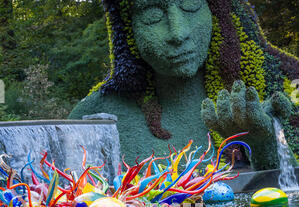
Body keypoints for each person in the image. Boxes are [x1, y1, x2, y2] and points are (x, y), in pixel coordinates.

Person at [69, 0, 299, 170]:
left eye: (190, 6)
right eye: (152, 15)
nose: (178, 33)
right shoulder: (91, 118)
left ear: (218, 12)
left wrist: (266, 145)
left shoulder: (287, 84)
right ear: (128, 28)